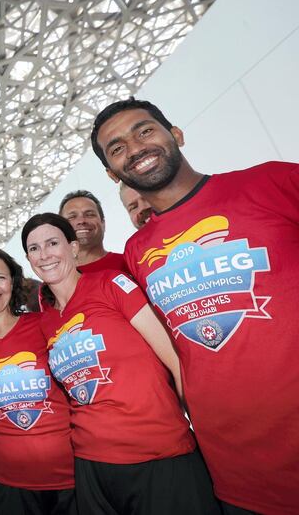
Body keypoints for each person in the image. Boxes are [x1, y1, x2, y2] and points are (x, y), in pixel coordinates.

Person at [91, 97, 299, 515]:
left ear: (176, 134)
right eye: (117, 148)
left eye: (144, 130)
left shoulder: (273, 182)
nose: (134, 147)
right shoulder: (137, 251)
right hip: (238, 477)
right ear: (113, 172)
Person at [21, 212, 219, 515]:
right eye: (34, 248)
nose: (44, 254)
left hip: (159, 453)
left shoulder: (112, 284)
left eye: (52, 243)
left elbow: (176, 358)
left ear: (73, 248)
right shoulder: (46, 321)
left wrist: (205, 429)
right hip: (92, 464)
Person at [0, 246, 75, 515]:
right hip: (7, 482)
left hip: (70, 475)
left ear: (13, 281)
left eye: (1, 277)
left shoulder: (42, 324)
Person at [58, 190, 127, 272]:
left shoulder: (129, 264)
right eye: (72, 217)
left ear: (103, 223)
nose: (81, 221)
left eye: (90, 215)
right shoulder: (53, 281)